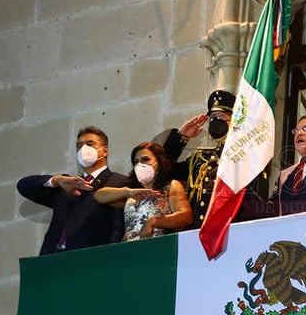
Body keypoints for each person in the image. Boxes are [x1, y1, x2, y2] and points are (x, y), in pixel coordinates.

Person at [17, 126, 129, 255]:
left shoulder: (118, 182)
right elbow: (23, 186)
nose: (83, 149)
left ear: (104, 151)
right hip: (53, 259)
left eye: (90, 144)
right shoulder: (66, 184)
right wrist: (56, 180)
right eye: (79, 146)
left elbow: (118, 228)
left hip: (90, 260)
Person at [154, 90, 236, 229]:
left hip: (229, 230)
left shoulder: (244, 157)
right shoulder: (201, 159)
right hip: (197, 231)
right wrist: (180, 138)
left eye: (221, 116)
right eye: (213, 117)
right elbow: (163, 172)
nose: (216, 121)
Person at [93, 142, 193, 240]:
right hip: (129, 249)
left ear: (159, 162)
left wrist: (154, 222)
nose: (140, 165)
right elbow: (99, 196)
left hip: (158, 247)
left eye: (146, 160)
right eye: (136, 162)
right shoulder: (132, 192)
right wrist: (127, 192)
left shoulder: (170, 186)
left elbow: (186, 217)